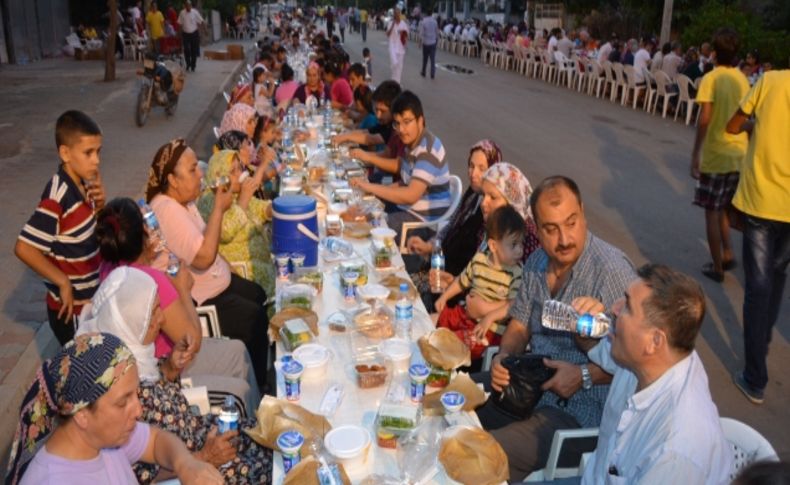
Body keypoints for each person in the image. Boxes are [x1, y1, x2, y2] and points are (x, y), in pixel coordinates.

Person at [474, 175, 636, 481]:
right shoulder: (536, 263)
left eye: (572, 222)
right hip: (528, 384)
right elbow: (520, 325)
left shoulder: (611, 273)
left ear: (583, 214)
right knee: (453, 404)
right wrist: (502, 358)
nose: (564, 238)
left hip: (580, 413)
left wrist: (585, 375)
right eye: (551, 229)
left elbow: (639, 365)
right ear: (536, 228)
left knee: (484, 454)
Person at [77, 267, 272, 484]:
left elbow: (153, 390)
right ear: (134, 322)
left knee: (270, 439)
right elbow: (137, 475)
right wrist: (203, 458)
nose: (161, 319)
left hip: (200, 434)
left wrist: (169, 368)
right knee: (271, 467)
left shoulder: (134, 355)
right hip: (195, 466)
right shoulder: (112, 392)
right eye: (153, 312)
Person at [94, 198, 260, 413]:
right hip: (162, 372)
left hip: (147, 365)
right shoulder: (149, 281)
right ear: (145, 237)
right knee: (238, 390)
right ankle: (250, 430)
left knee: (238, 350)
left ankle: (256, 420)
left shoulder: (108, 270)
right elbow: (192, 341)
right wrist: (183, 290)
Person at [581, 264, 733, 484]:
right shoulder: (654, 357)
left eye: (627, 307)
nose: (614, 308)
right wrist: (581, 324)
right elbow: (594, 347)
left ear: (654, 341)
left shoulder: (676, 451)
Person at [6, 332, 223, 485]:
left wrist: (185, 464)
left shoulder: (100, 439)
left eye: (135, 395)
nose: (138, 411)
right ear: (81, 414)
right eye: (123, 402)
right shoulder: (55, 480)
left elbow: (156, 441)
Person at [144, 139, 270, 390]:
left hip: (217, 282)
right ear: (172, 180)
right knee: (253, 319)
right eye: (192, 170)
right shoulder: (167, 209)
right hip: (200, 299)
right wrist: (219, 210)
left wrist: (228, 268)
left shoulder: (185, 203)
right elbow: (203, 257)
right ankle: (258, 390)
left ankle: (256, 373)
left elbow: (205, 240)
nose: (200, 173)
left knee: (258, 294)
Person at [726, 69, 790, 405]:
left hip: (761, 201)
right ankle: (761, 341)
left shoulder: (770, 81)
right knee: (776, 277)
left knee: (757, 288)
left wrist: (758, 126)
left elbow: (734, 125)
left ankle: (755, 378)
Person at [15, 110, 106, 345]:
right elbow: (24, 247)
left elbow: (86, 233)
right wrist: (62, 281)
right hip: (71, 313)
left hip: (88, 305)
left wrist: (100, 206)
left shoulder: (85, 185)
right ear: (65, 153)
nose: (96, 160)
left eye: (98, 151)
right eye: (88, 153)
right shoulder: (57, 196)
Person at [407, 140, 503, 311]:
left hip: (457, 291)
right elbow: (450, 227)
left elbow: (480, 270)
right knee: (398, 287)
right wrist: (429, 245)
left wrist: (454, 282)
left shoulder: (493, 216)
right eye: (471, 166)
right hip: (440, 272)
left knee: (405, 298)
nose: (474, 173)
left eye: (482, 168)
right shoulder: (472, 196)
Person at [349, 91, 451, 242]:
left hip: (423, 222)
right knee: (363, 212)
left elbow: (410, 195)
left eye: (407, 121)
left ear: (420, 120)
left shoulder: (427, 149)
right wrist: (371, 193)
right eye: (397, 123)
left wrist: (370, 187)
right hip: (409, 210)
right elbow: (404, 182)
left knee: (372, 231)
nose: (401, 129)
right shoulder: (411, 144)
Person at [690, 28, 749, 282]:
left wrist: (695, 154)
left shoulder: (711, 79)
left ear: (714, 53)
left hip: (716, 155)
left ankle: (717, 267)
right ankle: (727, 251)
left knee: (711, 213)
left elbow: (705, 119)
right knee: (723, 207)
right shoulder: (743, 80)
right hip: (738, 154)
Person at [435, 205, 524, 361]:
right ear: (493, 246)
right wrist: (444, 297)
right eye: (514, 245)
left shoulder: (516, 273)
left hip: (490, 330)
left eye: (521, 244)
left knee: (449, 344)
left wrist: (489, 317)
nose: (520, 251)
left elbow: (513, 304)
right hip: (465, 315)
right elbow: (462, 281)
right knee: (433, 321)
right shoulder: (479, 260)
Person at [197, 149, 274, 298]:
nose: (240, 173)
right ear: (220, 175)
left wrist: (281, 208)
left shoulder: (234, 194)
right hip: (242, 276)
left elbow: (260, 208)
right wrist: (244, 199)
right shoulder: (209, 199)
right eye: (233, 171)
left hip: (261, 265)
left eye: (240, 167)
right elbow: (225, 231)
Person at [178, 0, 204, 72]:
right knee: (186, 49)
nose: (188, 7)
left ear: (191, 6)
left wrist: (204, 31)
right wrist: (179, 33)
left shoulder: (195, 12)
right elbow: (180, 23)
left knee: (194, 50)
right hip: (185, 34)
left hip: (194, 33)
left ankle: (193, 66)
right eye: (186, 6)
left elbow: (201, 21)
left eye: (189, 6)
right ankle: (188, 64)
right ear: (185, 6)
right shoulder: (182, 13)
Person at [387, 8, 409, 83]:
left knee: (399, 67)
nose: (396, 15)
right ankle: (394, 81)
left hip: (401, 48)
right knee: (394, 64)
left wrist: (403, 33)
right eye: (395, 14)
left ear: (399, 14)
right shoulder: (390, 23)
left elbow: (406, 35)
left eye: (397, 13)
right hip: (392, 47)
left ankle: (397, 83)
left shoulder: (403, 24)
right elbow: (387, 34)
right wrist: (393, 25)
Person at [419, 10, 439, 79]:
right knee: (432, 59)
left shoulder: (423, 21)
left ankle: (423, 72)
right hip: (433, 42)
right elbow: (437, 33)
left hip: (426, 43)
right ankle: (432, 74)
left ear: (426, 14)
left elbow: (421, 33)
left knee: (425, 59)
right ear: (431, 14)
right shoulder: (435, 21)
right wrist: (436, 41)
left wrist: (420, 42)